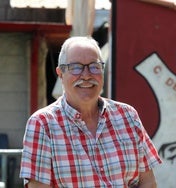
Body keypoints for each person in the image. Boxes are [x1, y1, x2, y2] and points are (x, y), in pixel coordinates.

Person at [20, 36, 162, 188]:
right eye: (76, 67)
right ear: (60, 73)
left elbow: (147, 181)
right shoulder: (42, 124)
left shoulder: (127, 115)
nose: (86, 75)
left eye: (94, 66)